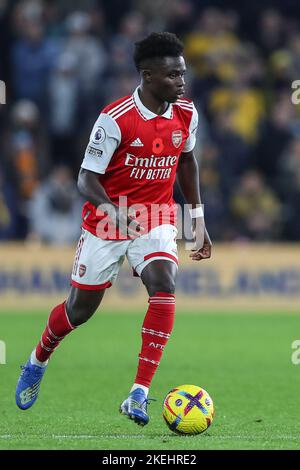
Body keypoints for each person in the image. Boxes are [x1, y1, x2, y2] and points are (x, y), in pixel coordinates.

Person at [15, 32, 212, 426]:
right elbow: (86, 180)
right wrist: (112, 210)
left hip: (156, 214)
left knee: (164, 284)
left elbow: (187, 162)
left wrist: (197, 218)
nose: (181, 82)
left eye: (183, 74)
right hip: (107, 218)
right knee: (79, 311)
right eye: (173, 75)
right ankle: (38, 357)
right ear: (148, 76)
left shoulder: (185, 113)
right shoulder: (115, 118)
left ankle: (138, 392)